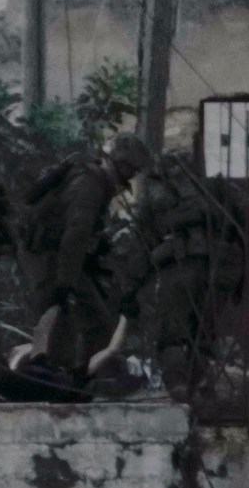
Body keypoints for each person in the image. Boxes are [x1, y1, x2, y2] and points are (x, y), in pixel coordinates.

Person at [11, 133, 154, 376]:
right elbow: (75, 234)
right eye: (132, 167)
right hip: (47, 257)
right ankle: (49, 376)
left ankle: (83, 378)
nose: (133, 174)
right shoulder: (91, 183)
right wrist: (65, 282)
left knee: (96, 321)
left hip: (62, 258)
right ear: (119, 161)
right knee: (58, 318)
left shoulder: (94, 179)